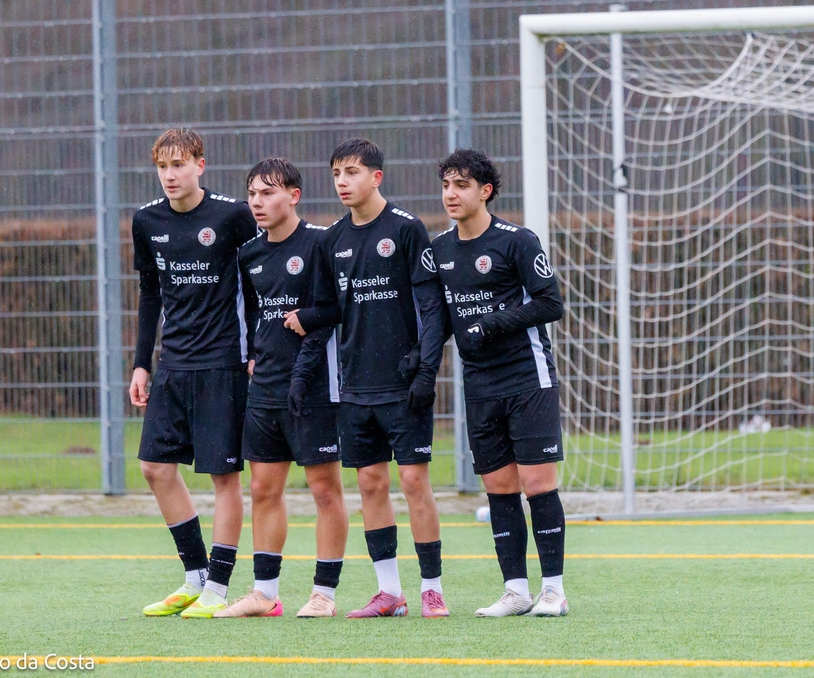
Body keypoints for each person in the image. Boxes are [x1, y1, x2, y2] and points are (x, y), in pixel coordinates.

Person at [285, 138, 449, 618]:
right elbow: (328, 311)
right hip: (354, 387)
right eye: (337, 172)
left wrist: (426, 370)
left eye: (352, 172)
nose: (342, 181)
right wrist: (301, 372)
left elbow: (432, 309)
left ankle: (432, 589)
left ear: (376, 177)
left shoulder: (406, 230)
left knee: (414, 482)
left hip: (403, 385)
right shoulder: (331, 241)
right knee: (372, 484)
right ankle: (389, 592)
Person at [430, 148, 569, 617]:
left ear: (485, 191)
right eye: (446, 185)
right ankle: (516, 590)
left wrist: (492, 323)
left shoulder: (517, 241)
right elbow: (440, 319)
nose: (451, 194)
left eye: (461, 185)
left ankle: (554, 590)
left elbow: (550, 304)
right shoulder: (439, 250)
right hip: (479, 383)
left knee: (537, 483)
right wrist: (419, 363)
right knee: (499, 488)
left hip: (528, 377)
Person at [129, 128, 258, 617]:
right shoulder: (147, 220)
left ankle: (218, 588)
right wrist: (142, 363)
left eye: (179, 164)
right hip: (173, 364)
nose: (170, 175)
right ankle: (195, 576)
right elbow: (151, 294)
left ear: (200, 165)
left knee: (224, 477)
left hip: (223, 362)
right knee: (155, 468)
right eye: (162, 166)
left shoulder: (232, 216)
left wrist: (256, 350)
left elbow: (257, 286)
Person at [213, 158, 349, 618]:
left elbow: (340, 307)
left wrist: (308, 324)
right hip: (266, 386)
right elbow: (254, 310)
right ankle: (265, 593)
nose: (257, 202)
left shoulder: (321, 243)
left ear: (294, 196)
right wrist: (255, 353)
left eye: (268, 192)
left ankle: (324, 594)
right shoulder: (249, 254)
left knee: (324, 490)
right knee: (263, 489)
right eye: (252, 193)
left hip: (314, 386)